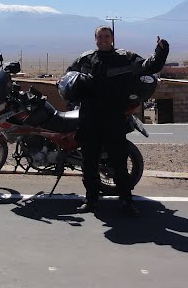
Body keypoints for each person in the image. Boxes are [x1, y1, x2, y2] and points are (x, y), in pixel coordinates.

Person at [65, 26, 169, 215]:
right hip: (90, 117)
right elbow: (68, 78)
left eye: (107, 36)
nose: (103, 39)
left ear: (112, 38)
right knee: (89, 162)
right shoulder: (85, 59)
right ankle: (91, 200)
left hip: (114, 117)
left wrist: (161, 51)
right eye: (100, 36)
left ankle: (126, 201)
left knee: (119, 162)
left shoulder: (125, 57)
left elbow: (149, 66)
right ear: (95, 39)